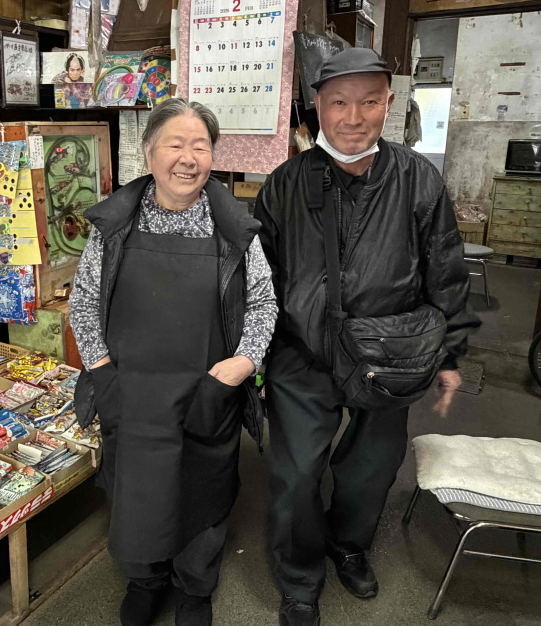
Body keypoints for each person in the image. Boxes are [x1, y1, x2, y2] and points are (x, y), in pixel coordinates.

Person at [255, 48, 479, 626]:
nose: (354, 117)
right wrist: (251, 357)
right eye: (339, 103)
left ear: (388, 104)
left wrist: (449, 355)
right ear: (317, 109)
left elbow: (445, 268)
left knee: (372, 465)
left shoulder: (416, 177)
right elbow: (260, 278)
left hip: (391, 353)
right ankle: (299, 577)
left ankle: (348, 544)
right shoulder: (284, 183)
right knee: (296, 471)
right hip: (302, 354)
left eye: (370, 102)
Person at [70, 98, 277, 626]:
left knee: (201, 491)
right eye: (175, 144)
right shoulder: (114, 224)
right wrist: (101, 372)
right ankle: (146, 580)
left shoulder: (232, 228)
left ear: (212, 156)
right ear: (149, 152)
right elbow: (84, 301)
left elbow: (263, 301)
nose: (188, 158)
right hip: (131, 394)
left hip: (204, 391)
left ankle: (194, 588)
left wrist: (241, 364)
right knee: (136, 492)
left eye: (200, 146)